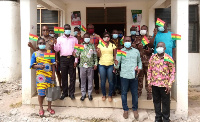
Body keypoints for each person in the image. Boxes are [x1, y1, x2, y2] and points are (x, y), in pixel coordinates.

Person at [115, 36, 142, 119]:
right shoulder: (120, 52)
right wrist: (115, 64)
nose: (127, 42)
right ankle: (125, 109)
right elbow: (117, 65)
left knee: (134, 93)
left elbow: (139, 61)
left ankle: (135, 109)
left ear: (131, 41)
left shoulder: (136, 51)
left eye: (129, 40)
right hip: (124, 75)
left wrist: (139, 68)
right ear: (123, 41)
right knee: (124, 93)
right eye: (126, 40)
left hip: (134, 75)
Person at [147, 42, 175, 122]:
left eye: (161, 46)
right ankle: (158, 118)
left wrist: (169, 85)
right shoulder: (152, 58)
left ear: (165, 48)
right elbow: (149, 71)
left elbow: (172, 72)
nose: (159, 48)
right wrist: (149, 82)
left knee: (166, 102)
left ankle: (166, 119)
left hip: (165, 85)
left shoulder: (169, 58)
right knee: (156, 101)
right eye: (158, 46)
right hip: (155, 84)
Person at [30, 37, 56, 116]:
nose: (42, 44)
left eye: (43, 43)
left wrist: (53, 74)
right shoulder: (35, 54)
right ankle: (41, 108)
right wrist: (38, 66)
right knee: (41, 93)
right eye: (40, 43)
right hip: (40, 77)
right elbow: (32, 65)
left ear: (45, 44)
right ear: (37, 45)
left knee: (49, 93)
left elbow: (53, 64)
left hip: (49, 76)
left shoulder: (49, 52)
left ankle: (49, 107)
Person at [54, 24, 78, 100]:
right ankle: (64, 93)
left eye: (69, 29)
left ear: (70, 30)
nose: (67, 30)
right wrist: (55, 43)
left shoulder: (74, 39)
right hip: (63, 59)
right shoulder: (59, 39)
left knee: (72, 77)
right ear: (64, 30)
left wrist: (76, 60)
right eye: (66, 29)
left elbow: (76, 50)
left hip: (71, 58)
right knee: (64, 76)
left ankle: (71, 93)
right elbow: (57, 50)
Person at [74, 33, 98, 101]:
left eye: (88, 37)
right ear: (83, 38)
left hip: (90, 66)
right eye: (85, 37)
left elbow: (95, 56)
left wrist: (96, 64)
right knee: (83, 80)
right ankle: (83, 94)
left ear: (89, 38)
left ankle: (90, 94)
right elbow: (77, 55)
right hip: (82, 66)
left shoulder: (92, 46)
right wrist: (74, 54)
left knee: (90, 80)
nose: (87, 38)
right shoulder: (80, 45)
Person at [132, 25, 153, 99]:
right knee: (140, 78)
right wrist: (138, 48)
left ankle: (149, 93)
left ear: (147, 30)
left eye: (145, 29)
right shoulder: (137, 38)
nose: (143, 30)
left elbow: (153, 48)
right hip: (140, 61)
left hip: (148, 61)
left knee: (148, 78)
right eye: (142, 29)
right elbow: (133, 48)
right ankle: (139, 92)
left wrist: (149, 51)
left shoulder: (150, 38)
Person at [96, 32, 117, 102]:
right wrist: (98, 52)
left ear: (109, 38)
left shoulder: (112, 45)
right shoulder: (100, 45)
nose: (106, 38)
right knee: (102, 81)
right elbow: (98, 56)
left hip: (110, 65)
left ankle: (110, 95)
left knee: (111, 81)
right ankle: (104, 94)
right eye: (105, 36)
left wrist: (115, 65)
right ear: (103, 38)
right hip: (102, 64)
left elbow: (115, 55)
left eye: (108, 36)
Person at [87, 24, 100, 94]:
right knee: (88, 73)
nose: (90, 29)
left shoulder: (97, 37)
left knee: (95, 73)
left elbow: (102, 44)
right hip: (87, 57)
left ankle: (97, 87)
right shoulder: (85, 36)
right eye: (89, 28)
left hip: (95, 57)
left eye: (92, 28)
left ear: (94, 29)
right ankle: (88, 88)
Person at [110, 29, 121, 96]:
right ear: (112, 34)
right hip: (112, 60)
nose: (115, 34)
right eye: (114, 33)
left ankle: (119, 88)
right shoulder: (110, 41)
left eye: (116, 33)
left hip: (120, 59)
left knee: (119, 75)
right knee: (113, 76)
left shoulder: (121, 41)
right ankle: (113, 89)